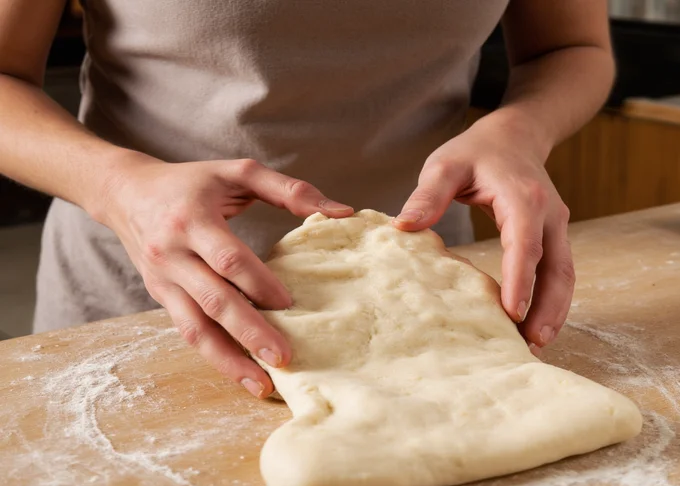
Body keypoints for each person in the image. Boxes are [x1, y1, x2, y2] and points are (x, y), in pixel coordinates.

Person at [0, 1, 615, 398]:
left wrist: (522, 130)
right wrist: (115, 184)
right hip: (149, 295)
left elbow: (571, 48)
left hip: (421, 305)